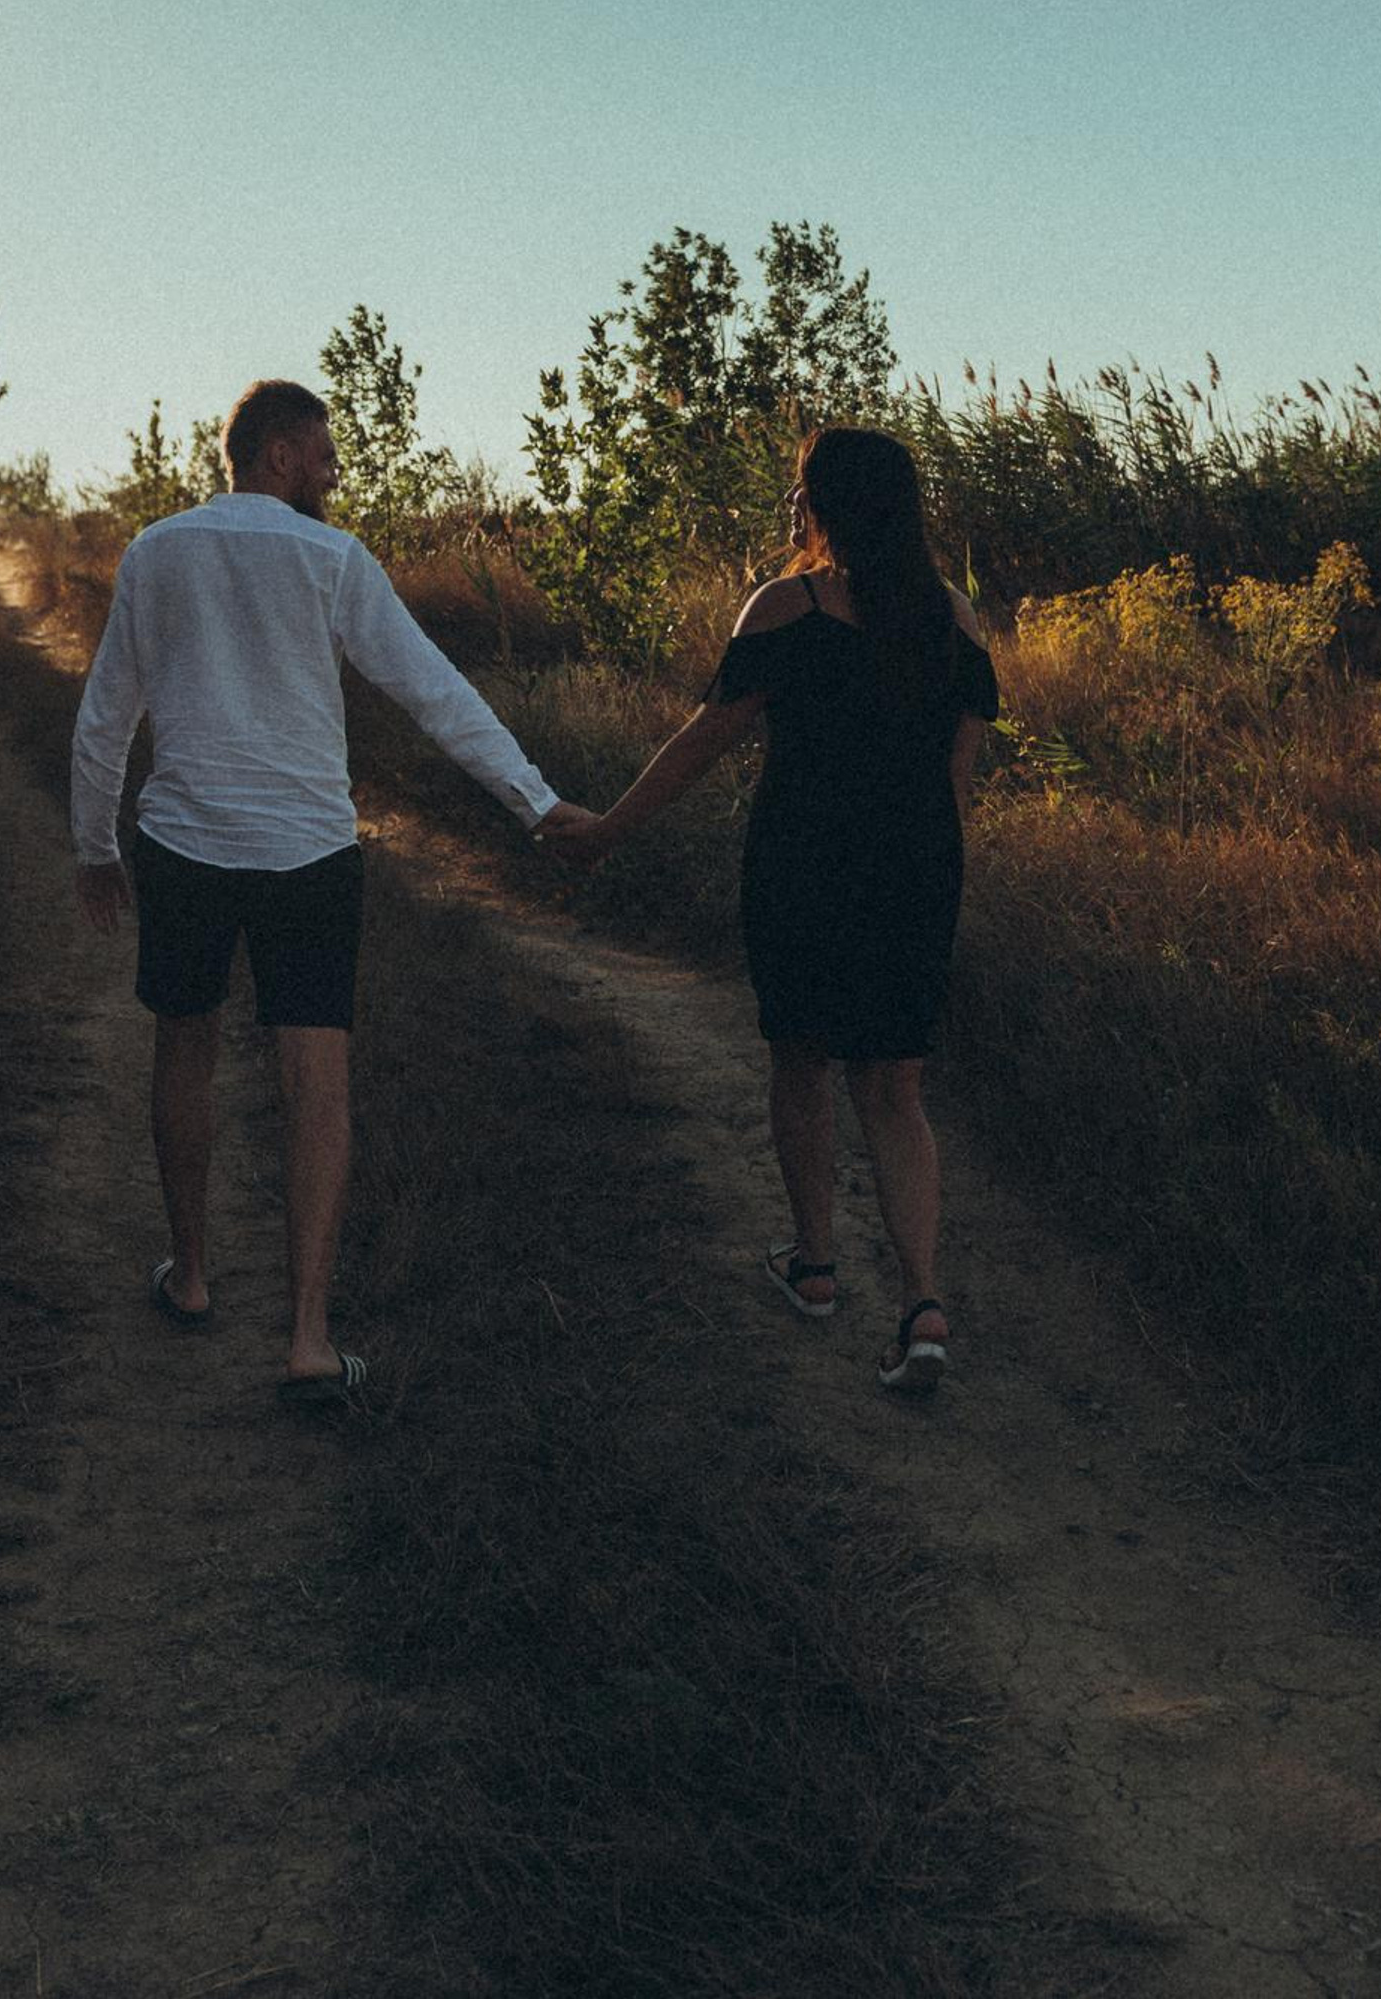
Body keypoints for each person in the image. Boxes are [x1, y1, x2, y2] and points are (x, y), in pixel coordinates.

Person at [71, 377, 589, 1400]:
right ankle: (308, 1338)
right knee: (320, 1083)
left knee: (185, 1048)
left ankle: (192, 1276)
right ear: (273, 453)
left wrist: (96, 843)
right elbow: (431, 686)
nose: (333, 471)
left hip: (185, 843)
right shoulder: (330, 559)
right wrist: (531, 800)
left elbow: (105, 715)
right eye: (321, 453)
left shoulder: (156, 550)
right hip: (308, 853)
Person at [542, 427, 997, 1393]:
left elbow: (705, 740)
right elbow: (958, 781)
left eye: (802, 492)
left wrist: (610, 828)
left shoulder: (788, 608)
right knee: (896, 1087)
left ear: (828, 507)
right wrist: (921, 868)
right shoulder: (955, 623)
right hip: (917, 875)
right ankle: (922, 1306)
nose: (793, 508)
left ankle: (817, 1265)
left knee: (801, 1058)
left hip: (805, 868)